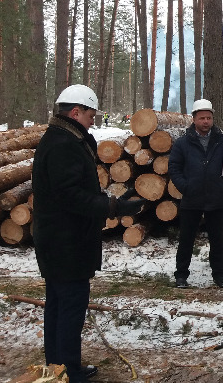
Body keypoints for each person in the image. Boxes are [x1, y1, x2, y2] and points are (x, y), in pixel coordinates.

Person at [32, 84, 144, 383]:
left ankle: (58, 367)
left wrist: (116, 199)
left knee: (59, 304)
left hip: (60, 238)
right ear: (75, 112)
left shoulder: (67, 139)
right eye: (91, 115)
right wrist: (114, 207)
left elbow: (76, 189)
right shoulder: (62, 144)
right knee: (69, 306)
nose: (93, 120)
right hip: (64, 241)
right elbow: (70, 196)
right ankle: (68, 371)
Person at [168, 99, 223, 288]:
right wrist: (186, 186)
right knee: (186, 239)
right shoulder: (183, 142)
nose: (206, 121)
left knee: (217, 240)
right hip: (192, 198)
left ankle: (219, 275)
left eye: (208, 118)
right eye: (202, 118)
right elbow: (174, 167)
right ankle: (181, 275)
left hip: (215, 198)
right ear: (194, 119)